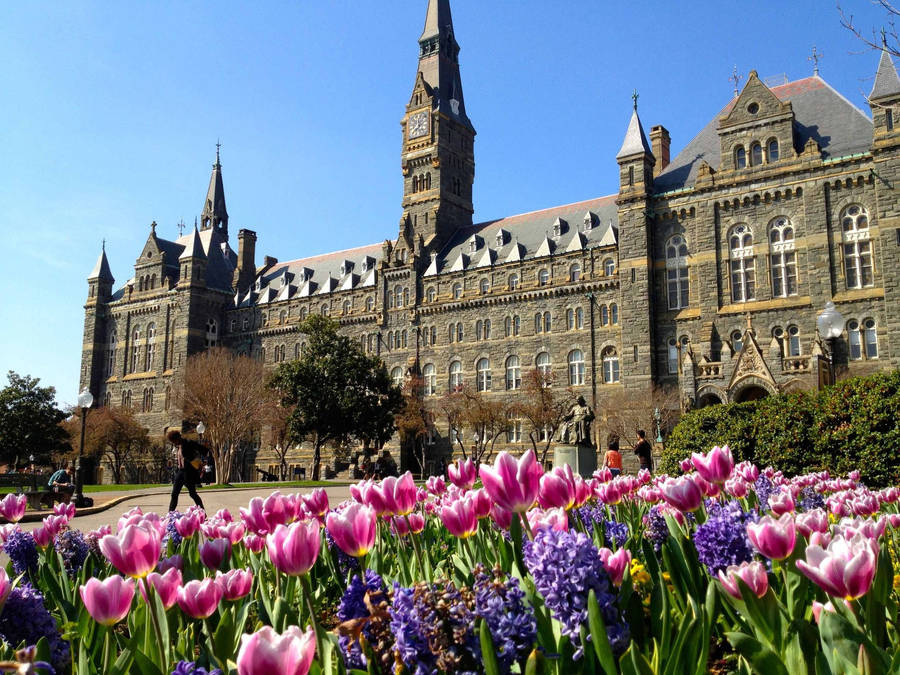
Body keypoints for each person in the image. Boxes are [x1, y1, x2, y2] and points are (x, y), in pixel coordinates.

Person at [166, 430, 205, 512]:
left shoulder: (187, 444)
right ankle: (170, 513)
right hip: (180, 472)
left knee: (193, 494)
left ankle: (202, 513)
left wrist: (200, 467)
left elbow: (195, 456)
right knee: (174, 494)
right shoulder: (179, 446)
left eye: (174, 441)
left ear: (178, 438)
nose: (174, 443)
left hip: (188, 473)